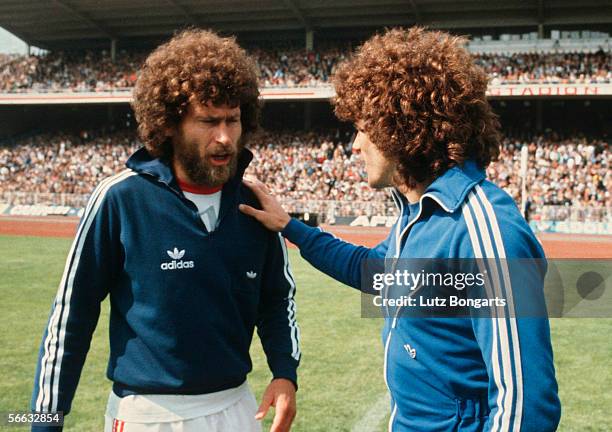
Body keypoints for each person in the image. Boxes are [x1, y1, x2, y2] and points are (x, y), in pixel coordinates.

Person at [240, 27, 561, 431]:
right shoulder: (422, 214)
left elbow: (525, 404)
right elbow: (375, 271)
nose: (354, 145)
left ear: (404, 126)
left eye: (362, 128)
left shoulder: (482, 228)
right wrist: (291, 227)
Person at [31, 30, 300, 432]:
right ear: (170, 124)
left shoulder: (256, 204)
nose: (225, 136)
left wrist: (284, 372)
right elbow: (71, 316)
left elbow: (277, 301)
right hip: (147, 416)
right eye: (208, 121)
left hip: (238, 410)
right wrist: (44, 422)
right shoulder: (120, 198)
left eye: (233, 119)